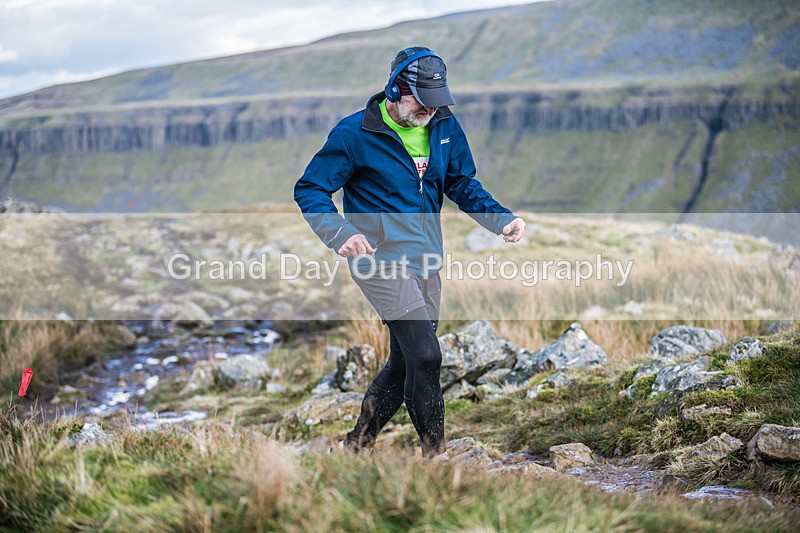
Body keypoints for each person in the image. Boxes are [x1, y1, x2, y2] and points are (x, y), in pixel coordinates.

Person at [294, 46, 525, 459]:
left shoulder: (444, 126)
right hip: (378, 259)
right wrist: (338, 232)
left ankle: (356, 445)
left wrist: (500, 218)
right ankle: (436, 460)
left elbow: (461, 183)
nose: (431, 111)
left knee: (405, 361)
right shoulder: (353, 135)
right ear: (395, 88)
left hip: (427, 258)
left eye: (438, 103)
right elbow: (310, 188)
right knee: (426, 353)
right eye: (422, 101)